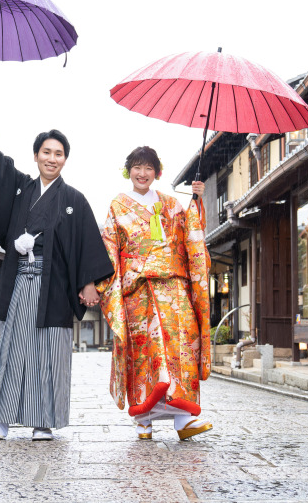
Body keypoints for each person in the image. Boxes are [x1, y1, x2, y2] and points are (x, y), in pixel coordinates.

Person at [0, 91, 113, 441]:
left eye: (59, 154)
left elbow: (89, 242)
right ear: (36, 155)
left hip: (54, 287)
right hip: (20, 281)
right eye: (47, 152)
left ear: (65, 160)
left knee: (49, 352)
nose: (52, 158)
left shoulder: (74, 199)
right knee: (11, 347)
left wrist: (89, 282)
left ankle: (44, 422)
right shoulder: (21, 189)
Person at [97, 146, 212, 441]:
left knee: (181, 347)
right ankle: (143, 420)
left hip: (173, 288)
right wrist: (108, 286)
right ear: (128, 171)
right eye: (137, 167)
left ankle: (183, 420)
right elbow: (110, 248)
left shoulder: (172, 204)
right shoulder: (118, 206)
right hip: (138, 290)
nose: (142, 173)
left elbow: (191, 236)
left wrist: (197, 200)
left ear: (157, 173)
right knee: (144, 353)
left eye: (149, 168)